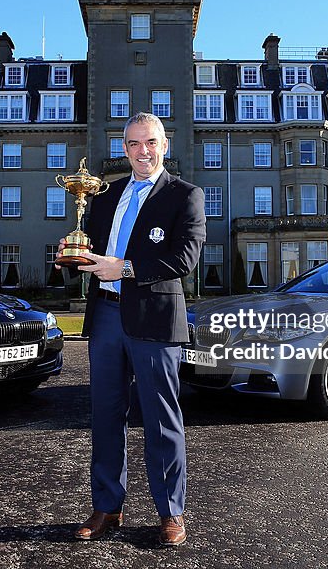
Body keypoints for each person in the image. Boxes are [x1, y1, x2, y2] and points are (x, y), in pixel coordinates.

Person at [57, 112, 206, 547]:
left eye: (151, 142)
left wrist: (124, 268)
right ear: (124, 148)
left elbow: (184, 259)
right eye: (135, 144)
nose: (144, 151)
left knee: (162, 420)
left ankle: (171, 513)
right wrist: (71, 260)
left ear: (165, 145)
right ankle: (107, 507)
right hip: (105, 315)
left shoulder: (186, 195)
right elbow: (91, 252)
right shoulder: (105, 197)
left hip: (155, 318)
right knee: (105, 416)